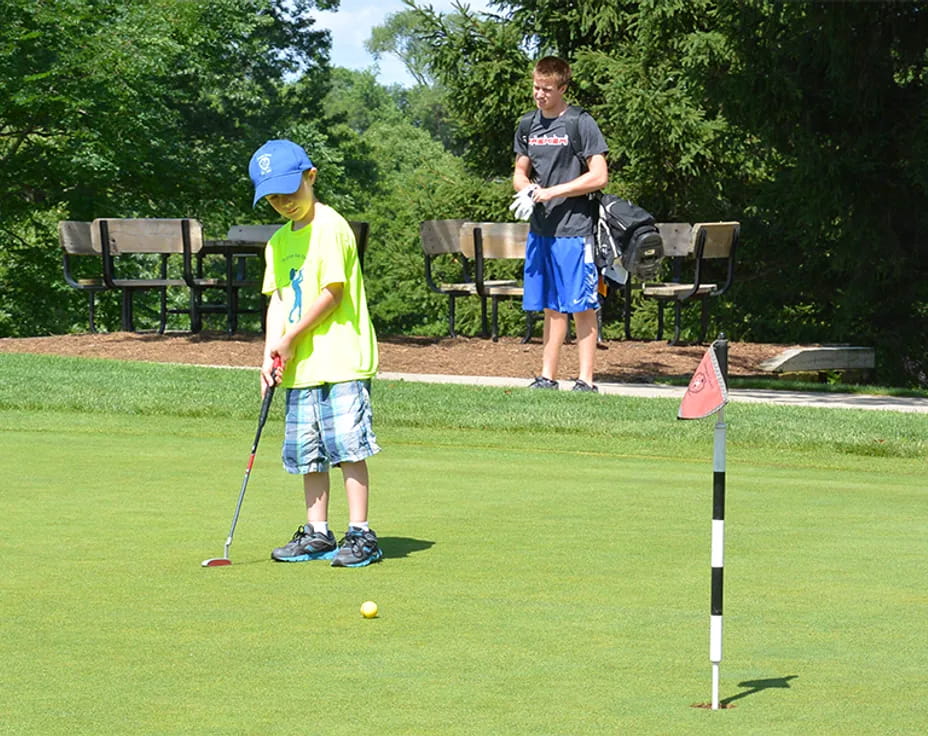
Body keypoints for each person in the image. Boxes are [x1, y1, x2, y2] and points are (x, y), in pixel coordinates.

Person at [249, 139, 383, 567]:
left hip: (341, 358)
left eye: (290, 192)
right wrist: (272, 350)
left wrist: (291, 337)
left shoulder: (331, 226)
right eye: (273, 198)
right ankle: (318, 532)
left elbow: (331, 293)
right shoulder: (277, 243)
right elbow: (278, 300)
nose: (284, 203)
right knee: (307, 450)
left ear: (311, 176)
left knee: (347, 446)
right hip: (301, 366)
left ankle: (360, 533)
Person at [512, 56, 609, 392]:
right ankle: (547, 377)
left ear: (563, 88)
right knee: (551, 305)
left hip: (575, 229)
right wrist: (527, 190)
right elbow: (519, 172)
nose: (540, 95)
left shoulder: (580, 122)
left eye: (547, 89)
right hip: (541, 230)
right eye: (536, 87)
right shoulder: (528, 125)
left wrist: (554, 192)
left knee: (581, 304)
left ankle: (585, 380)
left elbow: (599, 176)